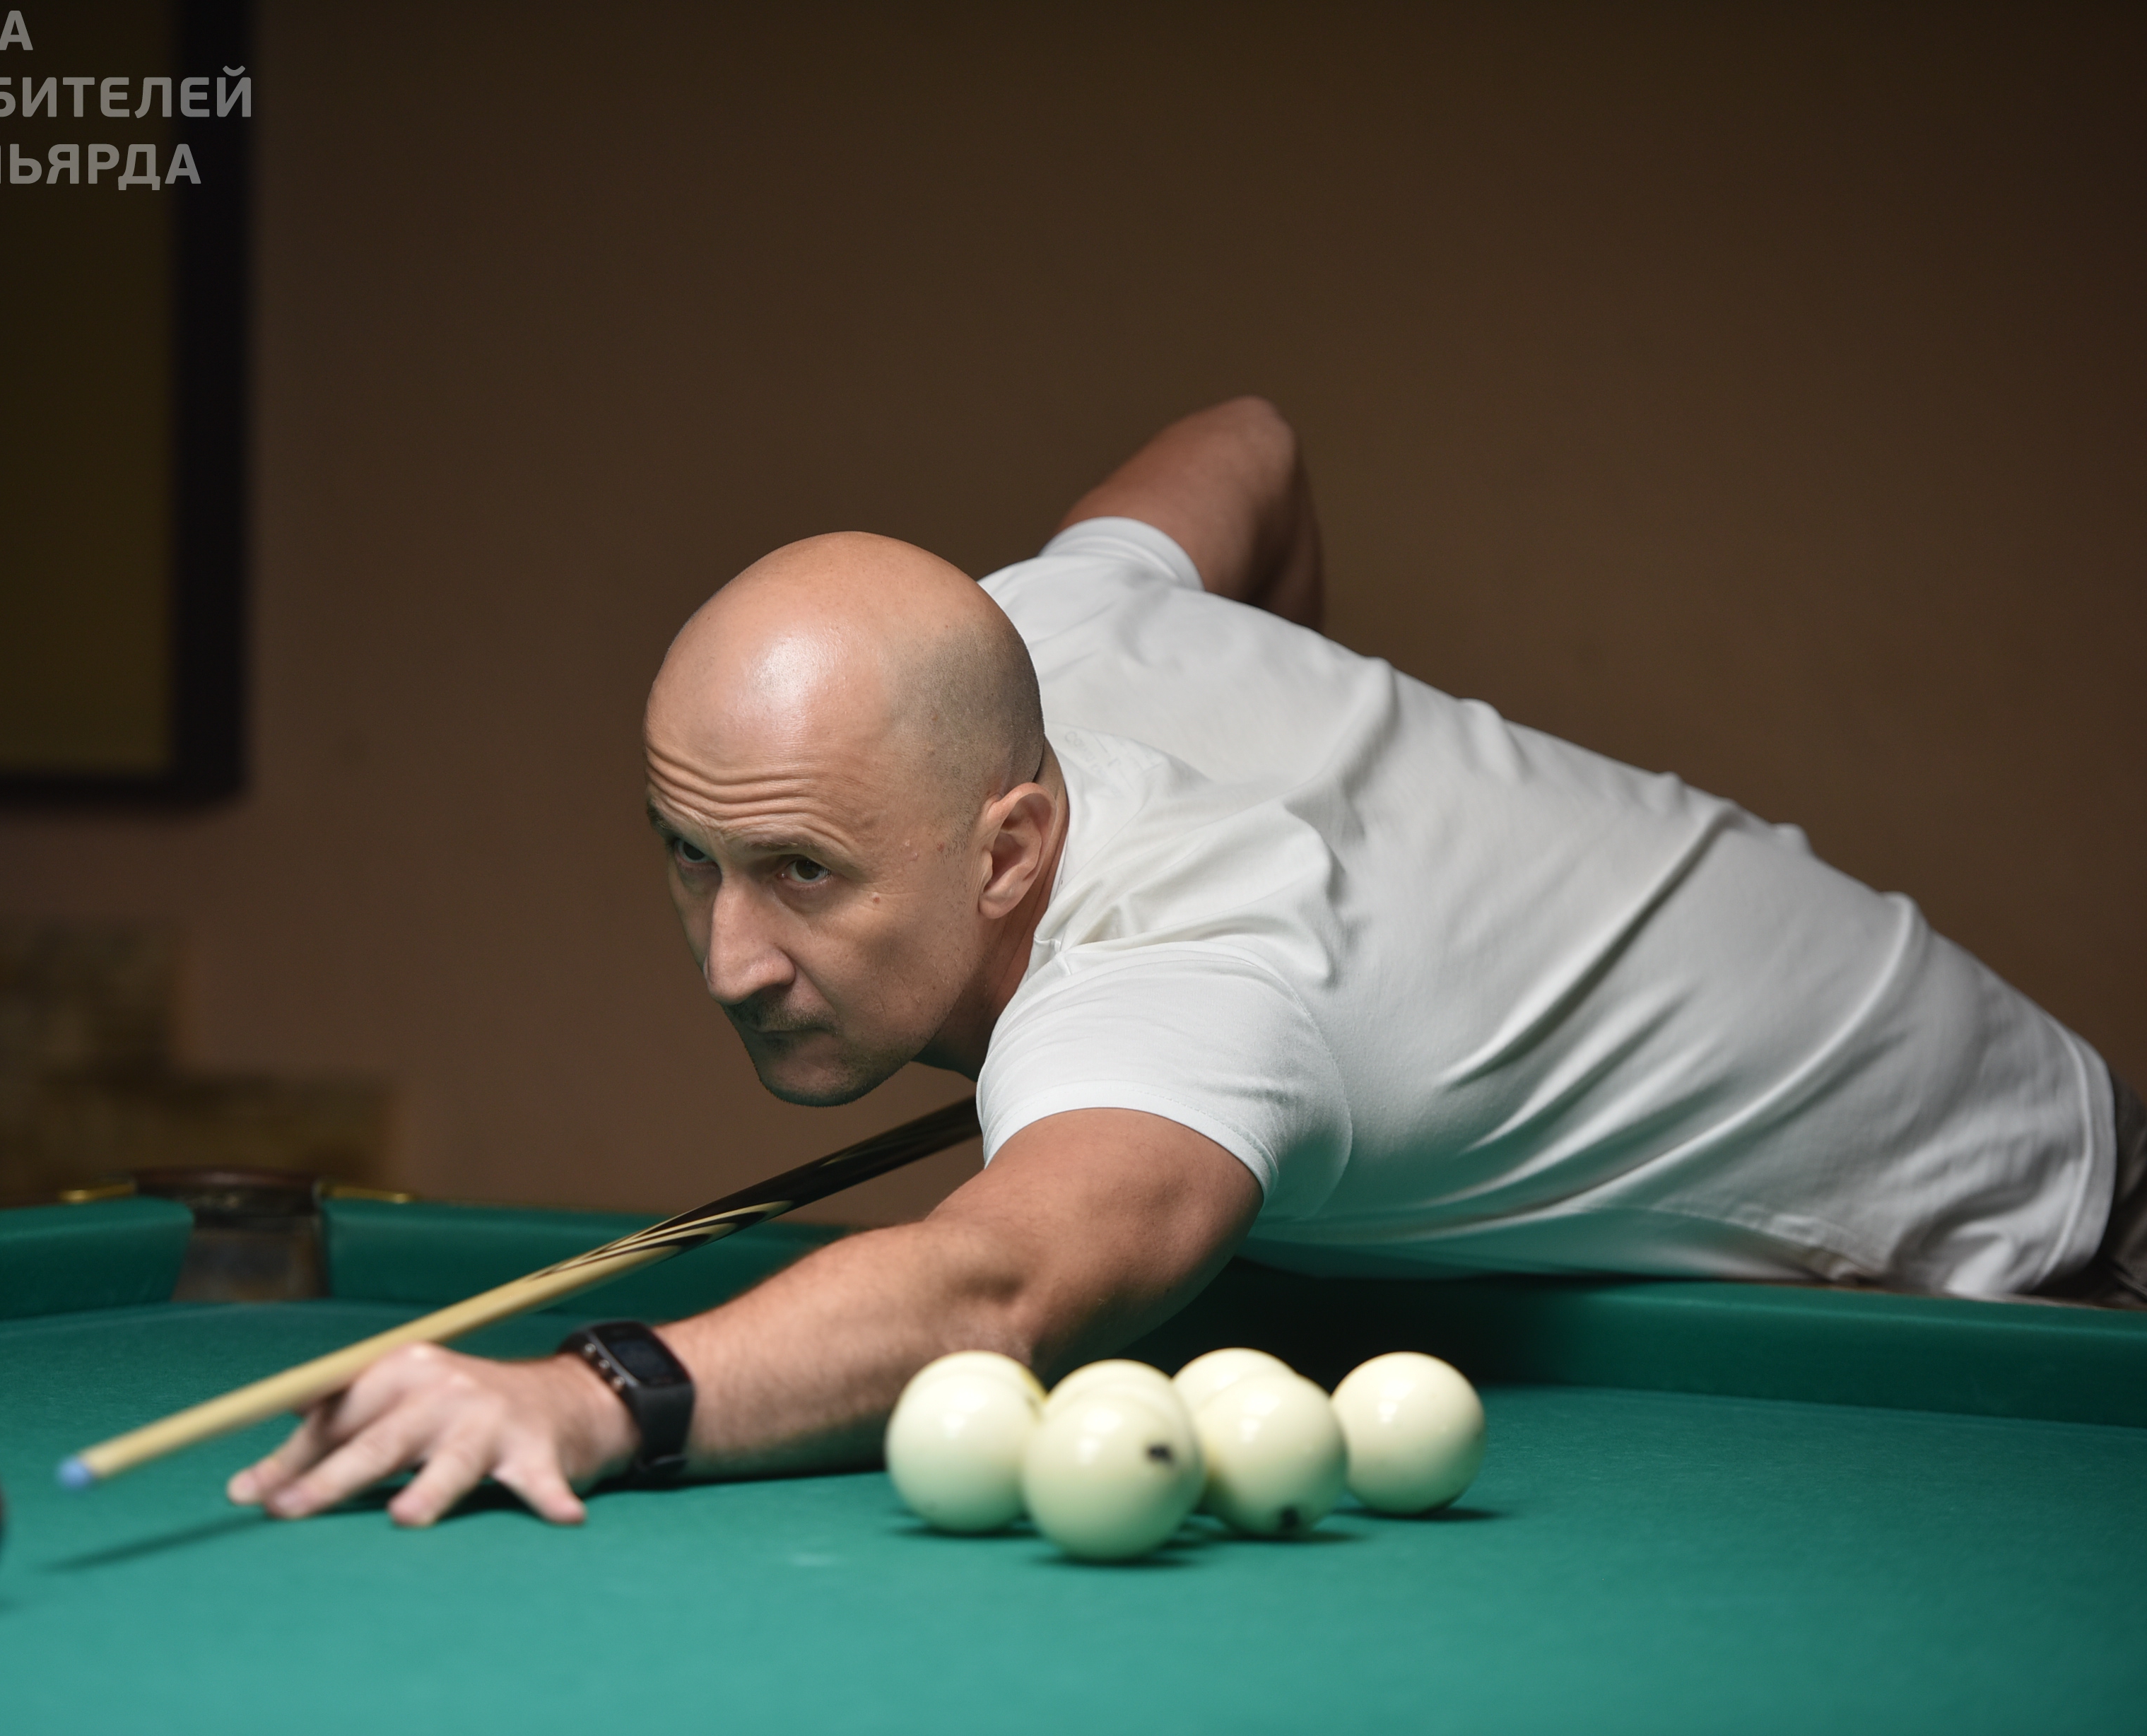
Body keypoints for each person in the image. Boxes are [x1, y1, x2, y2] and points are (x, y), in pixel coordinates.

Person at [230, 398, 2143, 1530]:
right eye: (689, 857)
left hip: (2043, 1250)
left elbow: (993, 1286)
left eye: (803, 874)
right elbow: (1251, 444)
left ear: (1013, 847)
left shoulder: (1188, 980)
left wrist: (585, 1396)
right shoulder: (1042, 628)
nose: (734, 960)